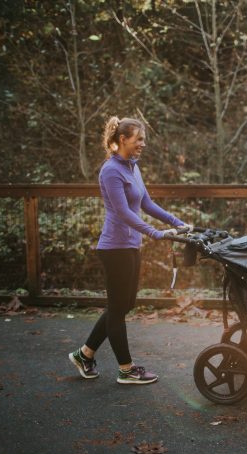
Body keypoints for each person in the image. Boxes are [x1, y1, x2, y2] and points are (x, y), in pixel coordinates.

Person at [68, 116, 191, 385]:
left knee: (123, 306)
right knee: (117, 308)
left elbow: (146, 203)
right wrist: (156, 233)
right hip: (114, 248)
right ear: (122, 139)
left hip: (131, 245)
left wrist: (175, 222)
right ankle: (126, 369)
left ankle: (84, 355)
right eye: (139, 140)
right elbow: (123, 212)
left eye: (143, 140)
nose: (143, 145)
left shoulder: (132, 167)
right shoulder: (110, 170)